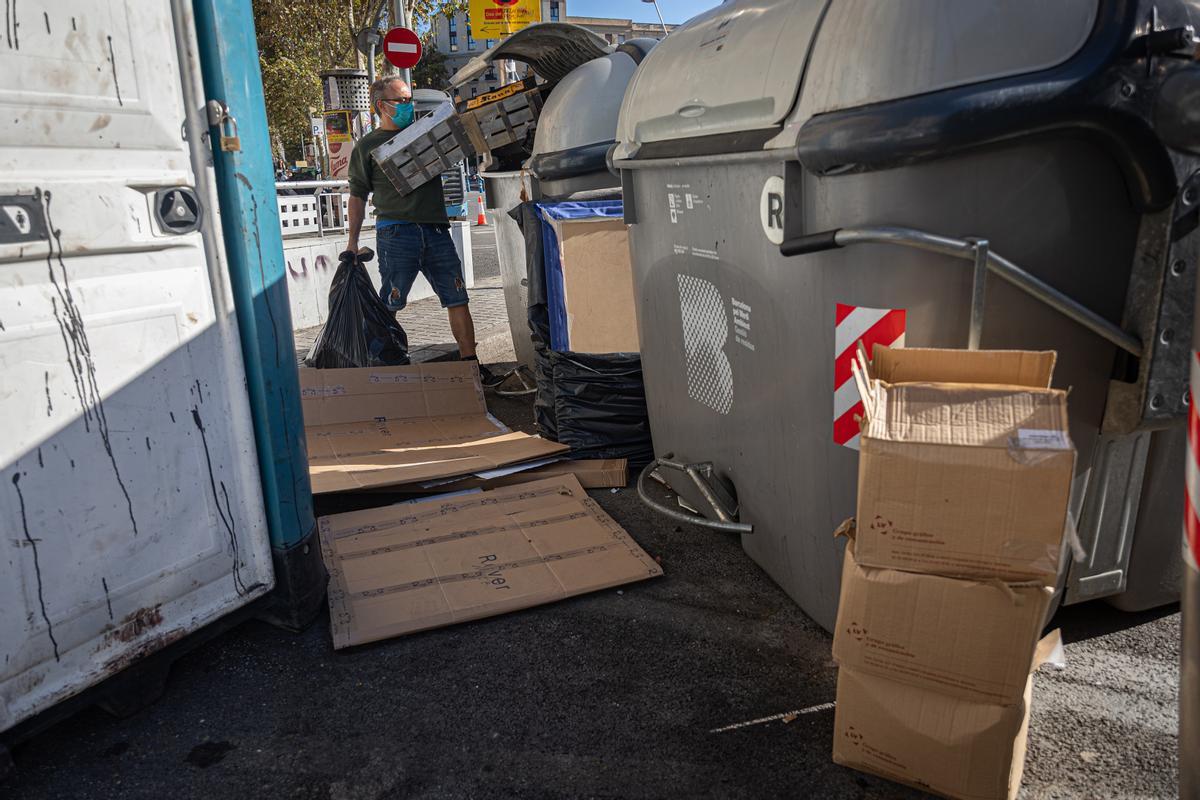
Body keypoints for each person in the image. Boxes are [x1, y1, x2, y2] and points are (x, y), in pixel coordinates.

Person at [345, 76, 501, 387]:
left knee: (456, 297)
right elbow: (357, 196)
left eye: (409, 99)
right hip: (396, 233)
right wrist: (352, 242)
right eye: (400, 100)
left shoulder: (425, 137)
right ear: (381, 106)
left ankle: (471, 365)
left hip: (436, 231)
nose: (408, 105)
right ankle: (378, 366)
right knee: (390, 302)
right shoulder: (367, 147)